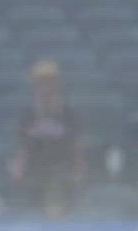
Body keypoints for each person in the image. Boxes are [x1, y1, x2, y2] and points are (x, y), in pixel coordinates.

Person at [9, 60, 84, 219]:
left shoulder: (68, 114)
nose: (45, 86)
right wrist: (18, 167)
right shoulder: (28, 114)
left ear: (57, 84)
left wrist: (79, 170)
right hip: (34, 171)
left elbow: (77, 145)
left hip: (62, 171)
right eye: (41, 82)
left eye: (50, 81)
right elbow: (23, 146)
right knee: (34, 212)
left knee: (61, 213)